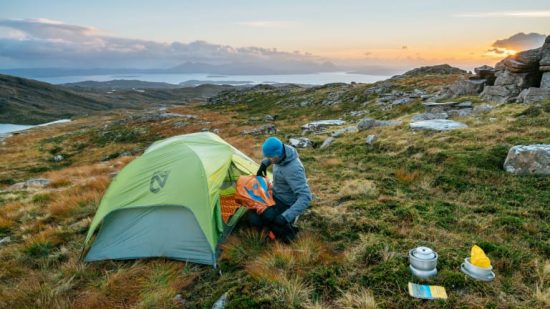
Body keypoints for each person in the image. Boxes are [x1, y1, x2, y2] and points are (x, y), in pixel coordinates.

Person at [248, 136, 312, 242]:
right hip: (275, 195)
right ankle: (273, 226)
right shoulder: (281, 153)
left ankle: (289, 228)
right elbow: (271, 157)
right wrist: (264, 164)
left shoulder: (294, 169)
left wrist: (285, 217)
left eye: (270, 157)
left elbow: (306, 197)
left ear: (278, 155)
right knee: (253, 217)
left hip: (287, 203)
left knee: (280, 231)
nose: (269, 159)